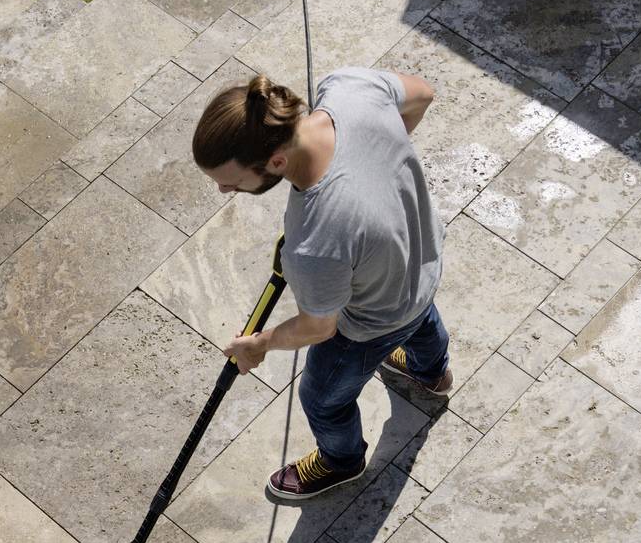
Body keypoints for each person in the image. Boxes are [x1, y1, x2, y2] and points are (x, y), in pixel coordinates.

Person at [192, 67, 451, 500]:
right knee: (421, 317)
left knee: (322, 397)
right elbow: (422, 94)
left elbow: (319, 327)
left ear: (275, 162)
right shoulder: (349, 88)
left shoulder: (314, 242)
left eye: (231, 181)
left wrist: (258, 345)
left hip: (372, 320)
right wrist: (383, 163)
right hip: (422, 259)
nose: (222, 190)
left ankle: (341, 461)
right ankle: (431, 373)